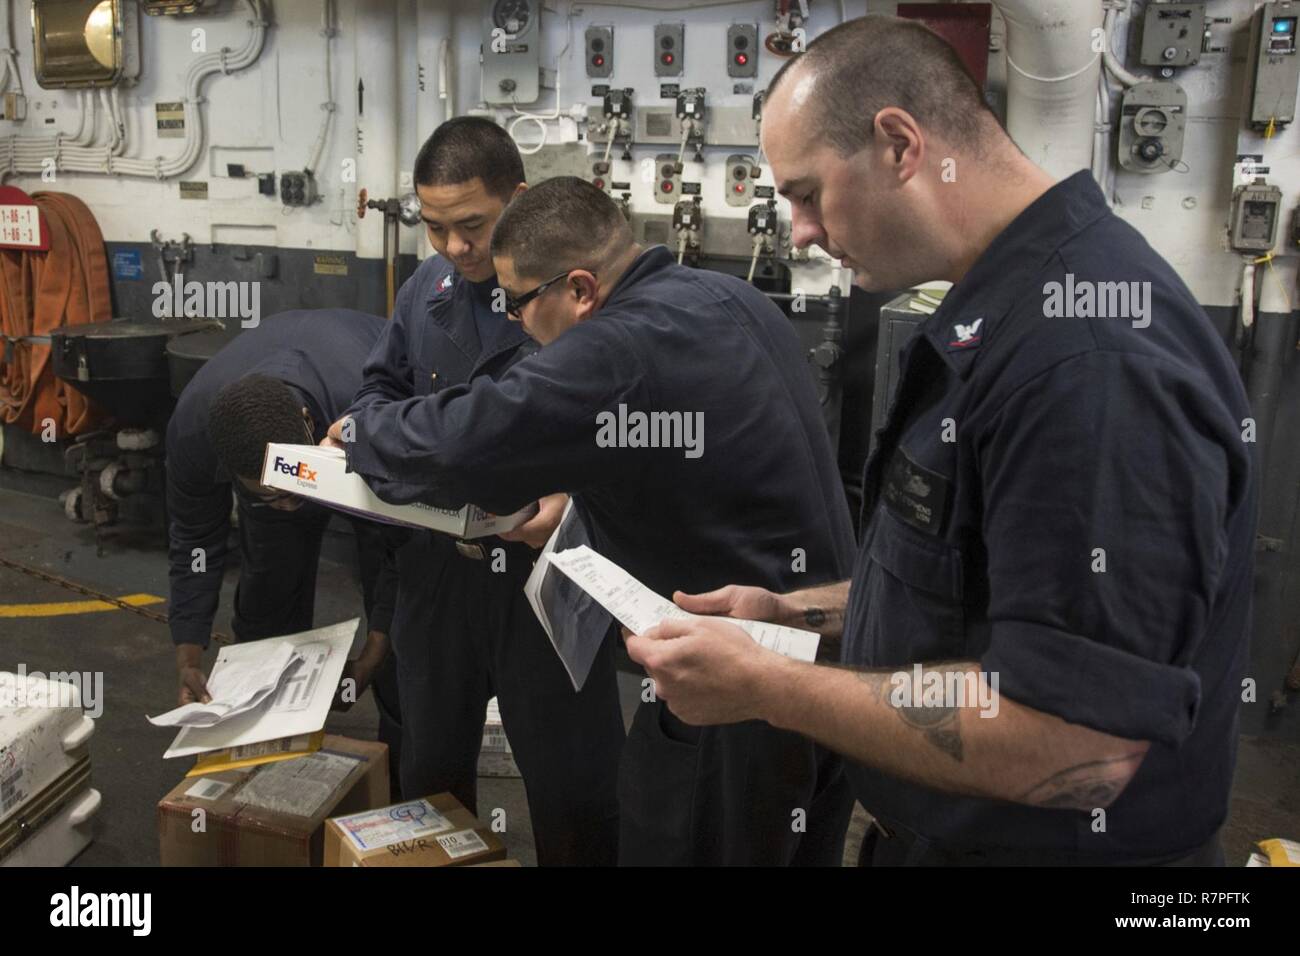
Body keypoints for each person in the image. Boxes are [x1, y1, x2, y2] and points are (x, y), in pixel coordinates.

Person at [625, 15, 1256, 866]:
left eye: (807, 192)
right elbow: (970, 589)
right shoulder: (1007, 305)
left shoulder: (1088, 361)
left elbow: (1079, 747)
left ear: (898, 144)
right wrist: (791, 619)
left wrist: (768, 687)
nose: (801, 231)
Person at [332, 175, 858, 866]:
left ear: (579, 289)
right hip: (827, 677)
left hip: (732, 702)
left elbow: (472, 438)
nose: (515, 322)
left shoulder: (617, 346)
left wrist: (359, 434)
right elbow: (683, 457)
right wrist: (579, 501)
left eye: (519, 304)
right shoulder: (725, 298)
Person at [339, 118, 625, 867]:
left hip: (546, 577)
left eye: (472, 225)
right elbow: (375, 397)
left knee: (574, 786)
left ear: (520, 200)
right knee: (428, 775)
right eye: (435, 228)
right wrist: (378, 443)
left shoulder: (581, 294)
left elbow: (630, 438)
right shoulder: (426, 290)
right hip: (437, 573)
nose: (456, 249)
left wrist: (581, 504)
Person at [166, 309, 402, 782]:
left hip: (357, 433)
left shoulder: (373, 404)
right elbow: (194, 540)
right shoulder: (195, 432)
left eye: (290, 492)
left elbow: (398, 546)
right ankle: (266, 767)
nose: (288, 506)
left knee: (404, 652)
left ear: (306, 422)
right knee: (266, 612)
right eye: (269, 493)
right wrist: (188, 655)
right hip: (282, 454)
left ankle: (397, 782)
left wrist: (376, 650)